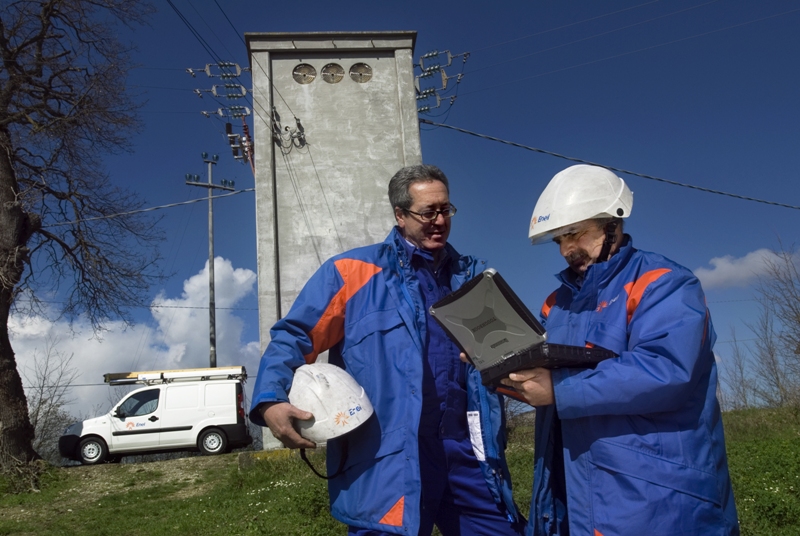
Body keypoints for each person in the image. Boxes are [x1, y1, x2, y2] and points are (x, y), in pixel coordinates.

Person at [249, 164, 525, 536]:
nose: (439, 220)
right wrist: (270, 399)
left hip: (467, 452)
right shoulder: (351, 273)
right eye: (428, 212)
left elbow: (512, 353)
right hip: (389, 456)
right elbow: (294, 336)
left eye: (446, 210)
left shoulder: (474, 278)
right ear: (400, 214)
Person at [506, 164, 739, 535]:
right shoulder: (557, 304)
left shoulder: (662, 283)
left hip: (658, 500)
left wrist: (560, 389)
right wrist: (501, 364)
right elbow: (544, 375)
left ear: (612, 224)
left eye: (575, 234)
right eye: (558, 240)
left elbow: (666, 370)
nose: (567, 249)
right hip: (577, 492)